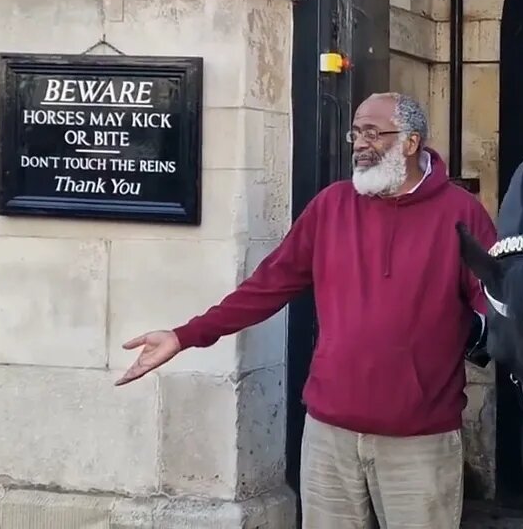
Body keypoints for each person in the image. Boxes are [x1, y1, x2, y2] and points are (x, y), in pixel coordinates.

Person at [114, 92, 497, 529]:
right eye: (356, 131)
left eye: (373, 132)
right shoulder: (331, 206)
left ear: (412, 143)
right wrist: (185, 335)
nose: (359, 143)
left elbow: (498, 306)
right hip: (329, 435)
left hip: (419, 442)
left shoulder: (462, 215)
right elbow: (267, 286)